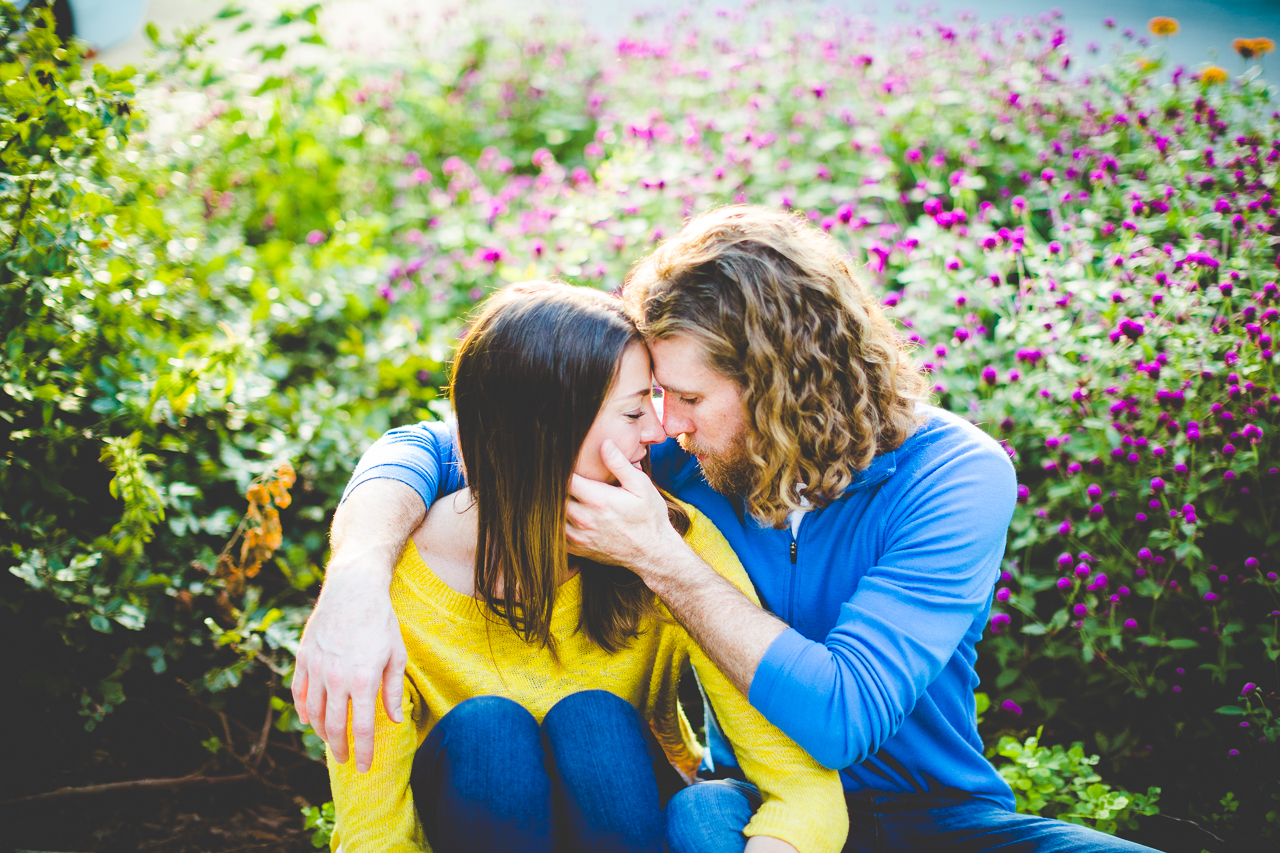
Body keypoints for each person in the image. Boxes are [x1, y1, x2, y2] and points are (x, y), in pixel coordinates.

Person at [298, 206, 1157, 852]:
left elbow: (842, 714)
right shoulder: (671, 454)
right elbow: (455, 445)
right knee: (679, 801)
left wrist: (663, 561)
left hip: (936, 817)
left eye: (688, 399)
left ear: (782, 385)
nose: (665, 425)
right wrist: (356, 579)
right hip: (742, 801)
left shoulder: (954, 475)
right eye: (651, 401)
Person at [322, 281, 847, 853]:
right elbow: (373, 835)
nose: (659, 429)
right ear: (545, 431)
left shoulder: (667, 544)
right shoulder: (384, 587)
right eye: (633, 410)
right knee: (487, 733)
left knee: (594, 722)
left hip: (630, 819)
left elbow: (802, 788)